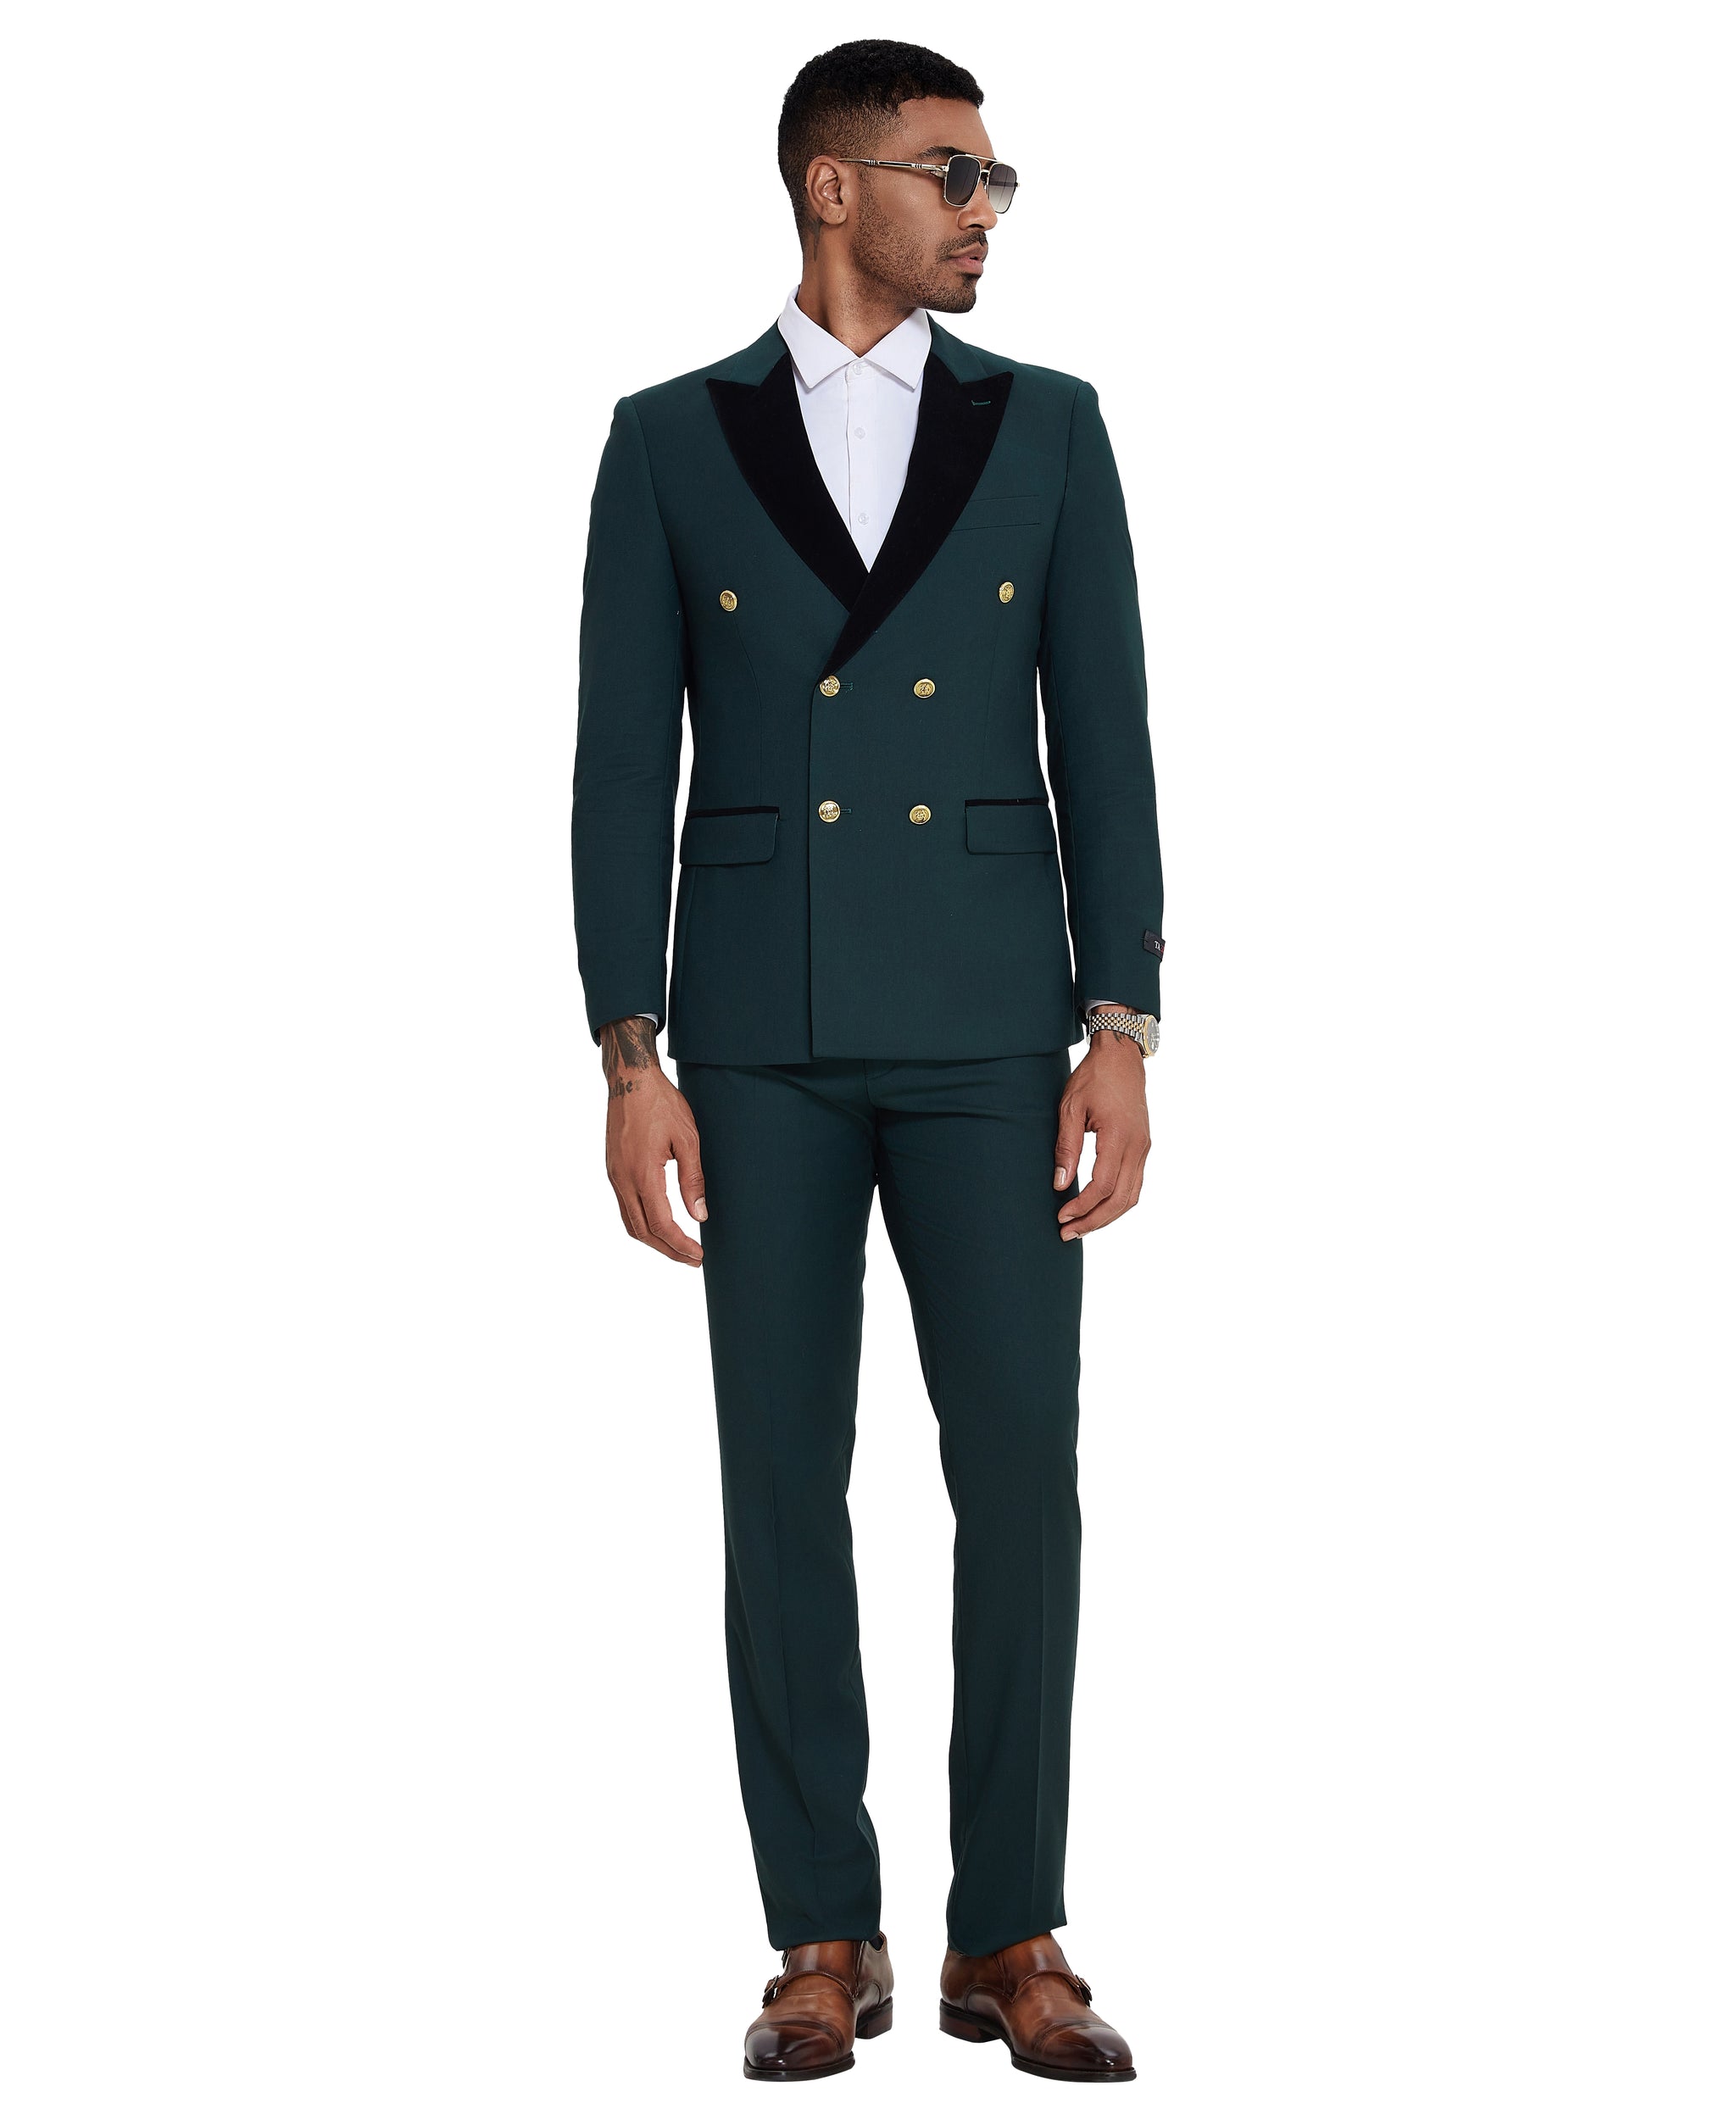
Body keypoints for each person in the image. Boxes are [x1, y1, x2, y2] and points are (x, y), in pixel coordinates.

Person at [571, 38, 1163, 2084]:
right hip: (759, 1040)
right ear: (835, 190)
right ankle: (820, 1928)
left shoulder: (1050, 425)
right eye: (950, 173)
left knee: (1019, 1486)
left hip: (995, 1030)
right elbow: (617, 765)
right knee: (778, 1487)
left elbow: (1105, 739)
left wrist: (1120, 1026)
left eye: (994, 178)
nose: (984, 208)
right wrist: (628, 1049)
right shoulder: (668, 438)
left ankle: (1011, 1926)